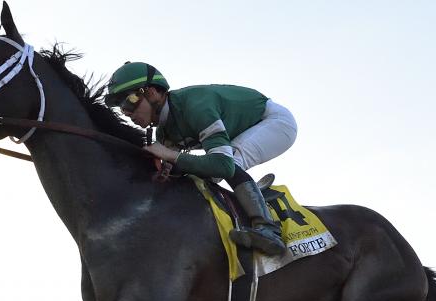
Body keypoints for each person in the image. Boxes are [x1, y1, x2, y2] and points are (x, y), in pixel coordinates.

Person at [105, 63, 297, 255]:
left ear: (152, 92)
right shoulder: (163, 132)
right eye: (121, 108)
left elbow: (223, 166)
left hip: (275, 121)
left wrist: (170, 155)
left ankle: (268, 230)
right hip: (240, 130)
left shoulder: (195, 106)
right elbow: (176, 169)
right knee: (201, 174)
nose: (127, 113)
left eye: (129, 102)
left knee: (229, 163)